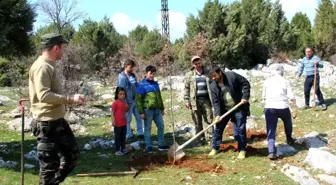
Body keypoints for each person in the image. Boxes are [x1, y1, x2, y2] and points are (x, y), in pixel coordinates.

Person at [29, 33, 85, 185]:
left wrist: (71, 97)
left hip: (57, 121)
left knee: (72, 156)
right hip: (47, 124)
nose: (64, 51)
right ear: (55, 48)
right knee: (48, 169)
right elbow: (44, 96)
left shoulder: (50, 65)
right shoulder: (42, 66)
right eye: (63, 48)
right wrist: (70, 99)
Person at [208, 67, 250, 159]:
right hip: (224, 110)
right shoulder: (213, 86)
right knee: (218, 128)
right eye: (212, 77)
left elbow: (245, 83)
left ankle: (242, 150)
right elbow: (216, 102)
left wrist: (245, 96)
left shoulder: (232, 76)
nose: (213, 78)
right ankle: (215, 148)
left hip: (238, 106)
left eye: (215, 76)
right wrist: (218, 114)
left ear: (220, 73)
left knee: (241, 129)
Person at [262, 64, 296, 160]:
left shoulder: (266, 81)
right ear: (282, 72)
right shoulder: (285, 81)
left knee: (271, 129)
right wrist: (294, 108)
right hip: (283, 107)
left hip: (270, 107)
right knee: (288, 122)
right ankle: (289, 139)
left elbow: (263, 96)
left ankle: (271, 151)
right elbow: (291, 96)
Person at [135, 65, 168, 153]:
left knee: (161, 126)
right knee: (147, 128)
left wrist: (162, 108)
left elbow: (159, 97)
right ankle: (149, 146)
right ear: (146, 73)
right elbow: (138, 100)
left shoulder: (155, 84)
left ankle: (161, 145)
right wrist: (141, 112)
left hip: (157, 110)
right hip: (147, 110)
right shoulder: (141, 85)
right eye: (150, 73)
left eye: (153, 74)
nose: (152, 75)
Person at [184, 56, 213, 145]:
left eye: (199, 62)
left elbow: (213, 85)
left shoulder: (208, 73)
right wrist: (186, 100)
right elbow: (186, 88)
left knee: (209, 120)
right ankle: (201, 140)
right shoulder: (189, 75)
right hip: (195, 102)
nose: (198, 65)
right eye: (195, 63)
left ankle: (211, 139)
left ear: (201, 61)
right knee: (197, 121)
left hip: (206, 101)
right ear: (193, 64)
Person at [117, 59, 144, 140]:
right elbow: (121, 91)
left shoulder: (133, 75)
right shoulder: (122, 77)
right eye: (131, 67)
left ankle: (140, 133)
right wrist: (124, 103)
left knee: (139, 117)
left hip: (135, 100)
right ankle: (129, 134)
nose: (132, 69)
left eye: (133, 67)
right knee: (128, 119)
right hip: (128, 101)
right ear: (126, 67)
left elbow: (136, 85)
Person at [111, 87, 129, 156]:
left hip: (124, 122)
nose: (122, 96)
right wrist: (113, 121)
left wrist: (127, 107)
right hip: (117, 123)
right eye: (120, 94)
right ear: (117, 95)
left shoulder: (124, 102)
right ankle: (117, 150)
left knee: (123, 136)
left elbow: (126, 111)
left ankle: (123, 148)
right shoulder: (115, 103)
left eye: (123, 94)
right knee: (117, 137)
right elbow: (112, 112)